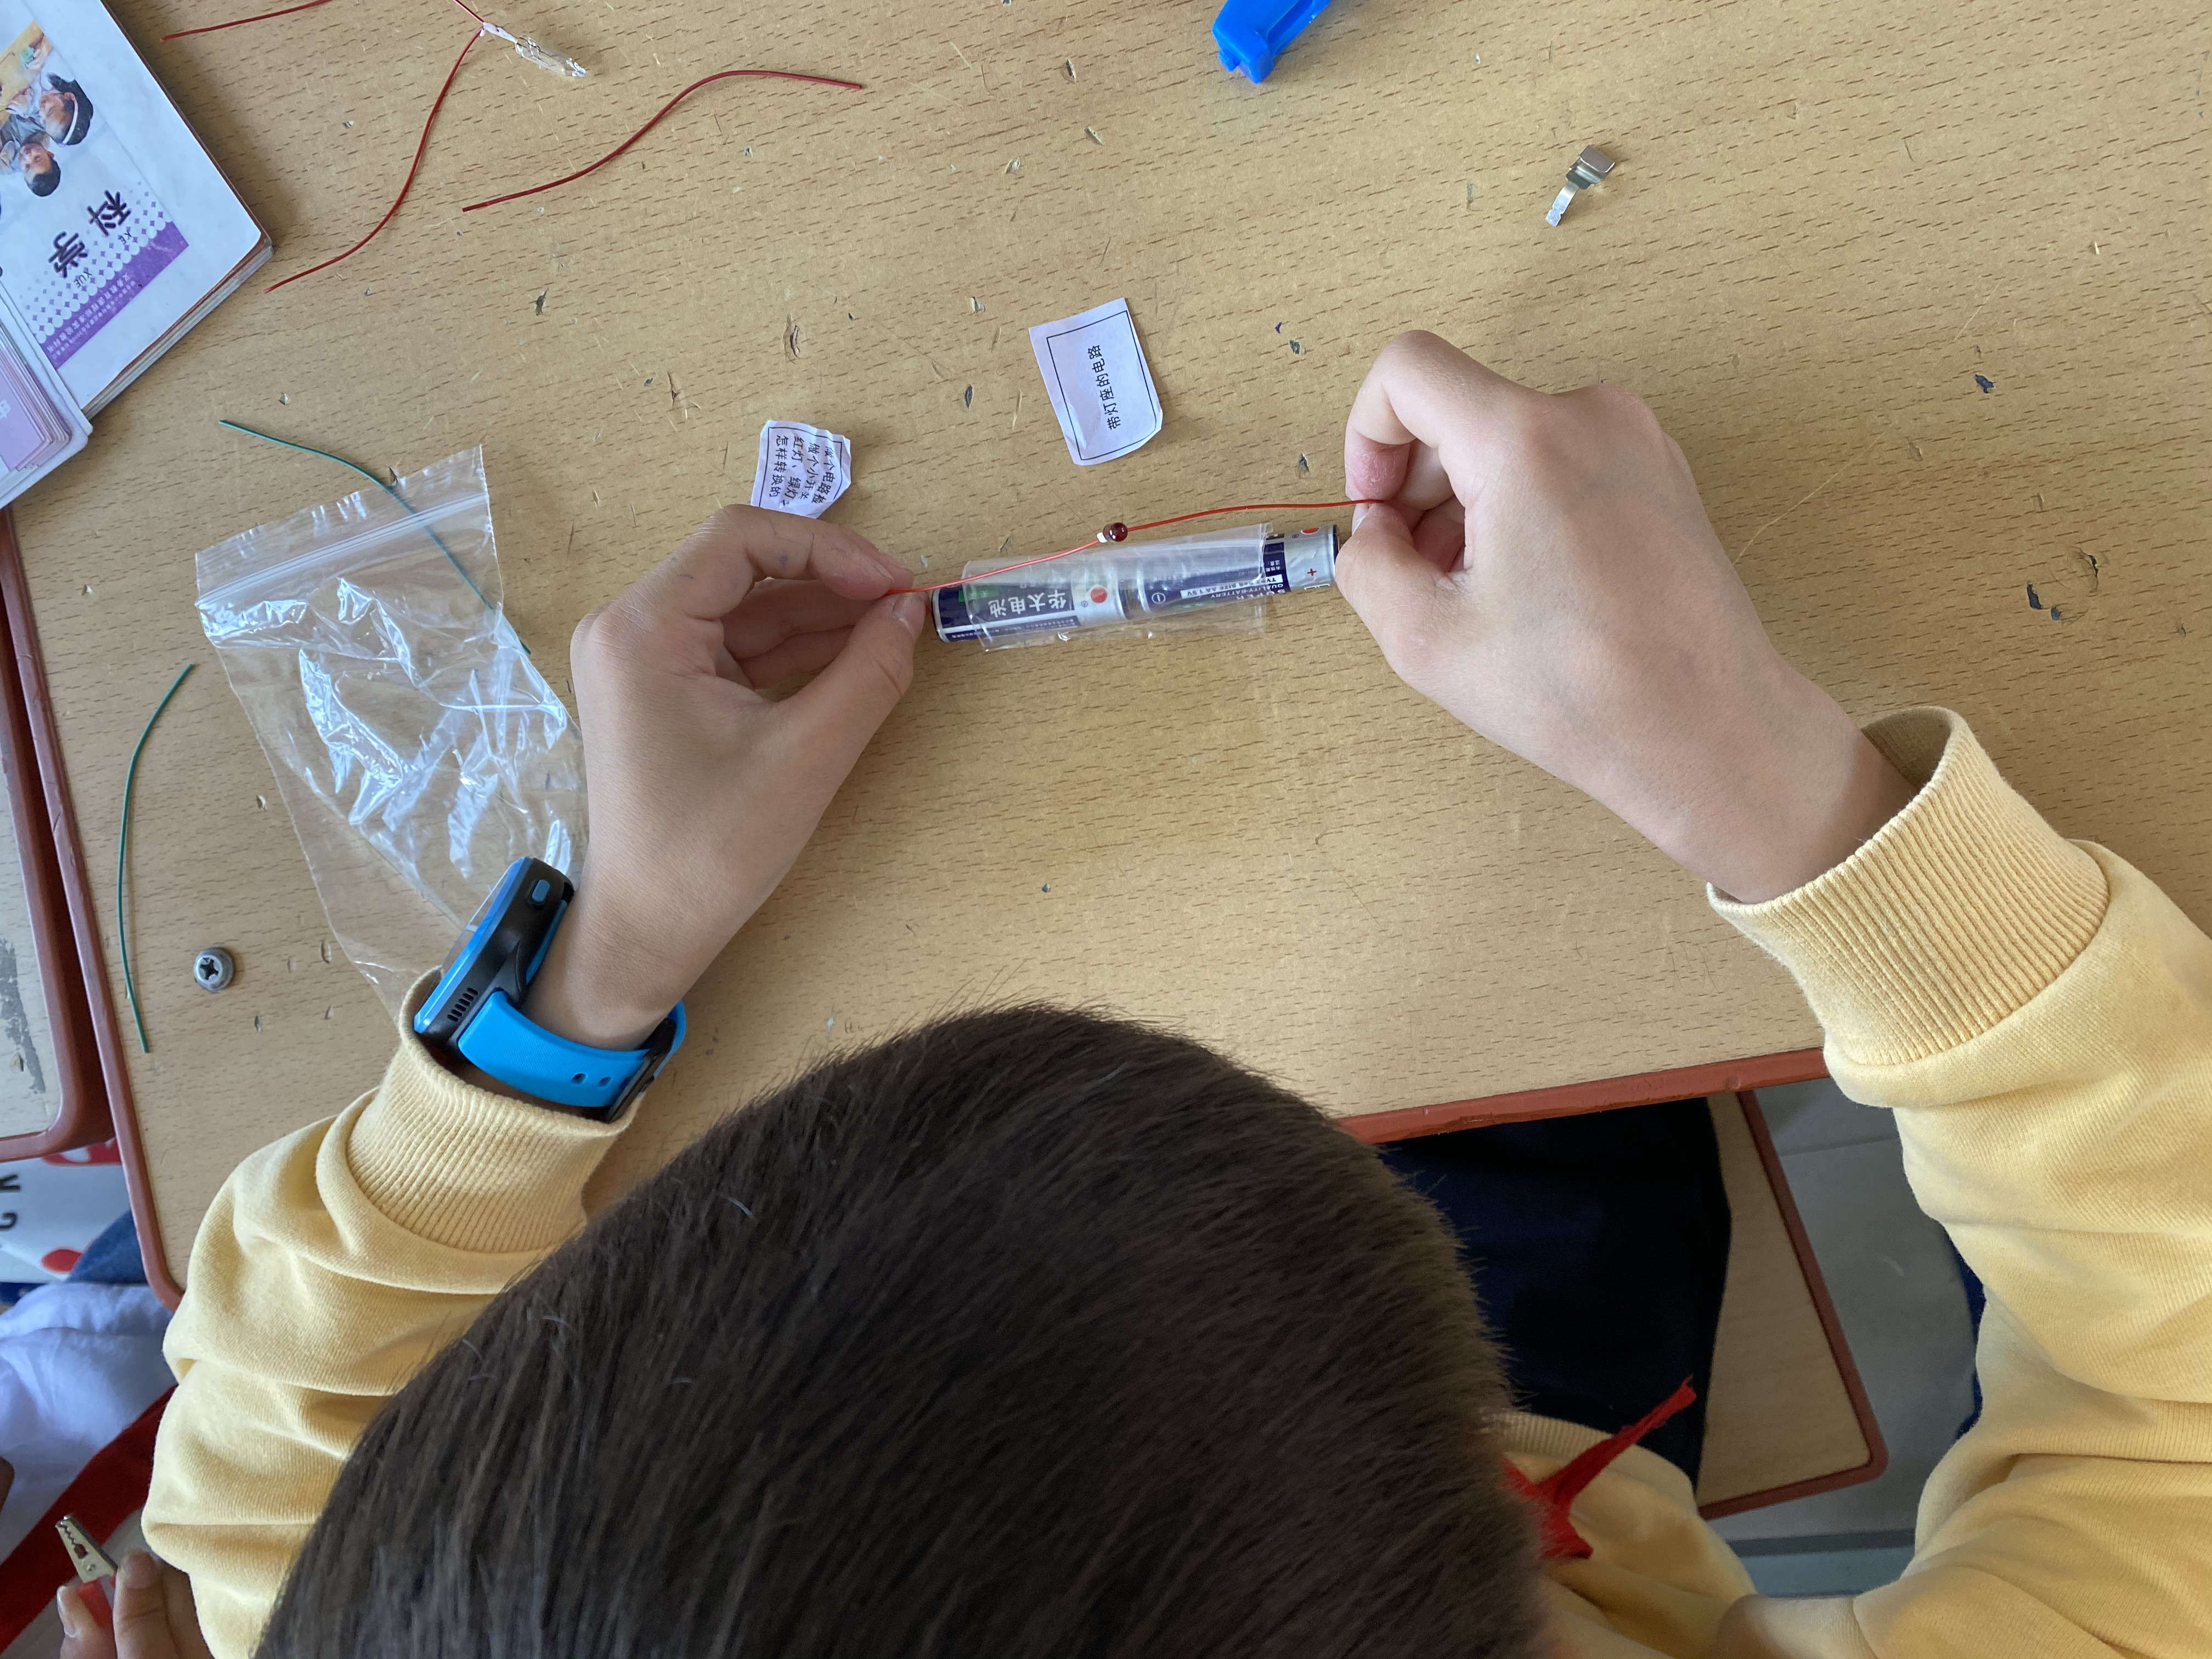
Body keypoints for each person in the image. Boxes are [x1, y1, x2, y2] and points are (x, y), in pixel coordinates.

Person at [63, 331, 2208, 1657]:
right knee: (1575, 1188)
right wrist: (1788, 790)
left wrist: (602, 961)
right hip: (1543, 1438)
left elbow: (257, 1466)